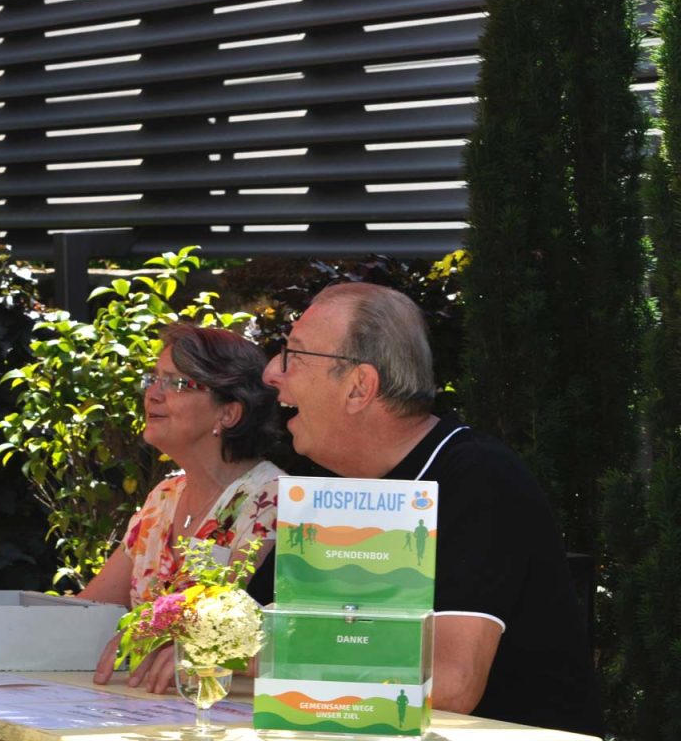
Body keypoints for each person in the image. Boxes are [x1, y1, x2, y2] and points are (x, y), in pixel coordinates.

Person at [261, 282, 603, 737]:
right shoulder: (325, 484)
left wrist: (273, 652)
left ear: (360, 387)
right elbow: (248, 626)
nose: (270, 373)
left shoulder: (479, 477)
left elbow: (449, 684)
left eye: (295, 355)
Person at [85, 323, 283, 694]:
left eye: (175, 383)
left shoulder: (273, 501)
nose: (152, 394)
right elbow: (87, 611)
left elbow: (222, 630)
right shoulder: (164, 497)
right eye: (153, 378)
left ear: (228, 414)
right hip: (142, 709)